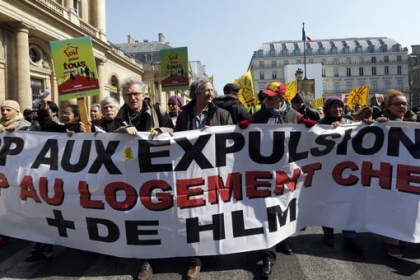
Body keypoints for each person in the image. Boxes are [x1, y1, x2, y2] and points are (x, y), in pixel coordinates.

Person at [237, 81, 308, 278]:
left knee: (284, 207)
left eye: (270, 97)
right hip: (263, 172)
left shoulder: (295, 116)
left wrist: (324, 127)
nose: (265, 100)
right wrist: (240, 127)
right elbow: (242, 133)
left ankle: (282, 238)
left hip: (286, 171)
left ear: (281, 99)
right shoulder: (259, 116)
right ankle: (268, 255)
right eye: (265, 97)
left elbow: (313, 136)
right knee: (266, 210)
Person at [109, 76, 173, 280]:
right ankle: (146, 261)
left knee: (160, 210)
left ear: (144, 94)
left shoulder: (157, 111)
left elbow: (175, 130)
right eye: (128, 95)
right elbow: (109, 140)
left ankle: (169, 246)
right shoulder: (120, 116)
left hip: (157, 170)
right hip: (132, 173)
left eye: (136, 94)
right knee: (140, 214)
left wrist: (161, 131)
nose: (132, 98)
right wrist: (121, 131)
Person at [175, 79, 233, 280]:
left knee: (213, 213)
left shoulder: (222, 115)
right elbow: (175, 140)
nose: (210, 93)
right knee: (192, 215)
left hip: (215, 173)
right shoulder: (184, 115)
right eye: (206, 90)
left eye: (211, 90)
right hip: (191, 173)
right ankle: (195, 260)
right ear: (196, 93)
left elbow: (234, 142)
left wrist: (216, 134)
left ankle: (211, 250)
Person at [317, 96, 365, 256]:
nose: (337, 110)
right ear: (327, 109)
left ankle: (349, 237)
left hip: (347, 170)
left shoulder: (349, 122)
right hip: (327, 170)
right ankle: (328, 232)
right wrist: (329, 129)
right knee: (328, 202)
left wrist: (371, 124)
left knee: (348, 202)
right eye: (333, 107)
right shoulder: (320, 124)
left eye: (339, 107)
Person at [375, 89, 416, 258]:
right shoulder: (382, 122)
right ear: (388, 106)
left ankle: (406, 236)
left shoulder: (413, 121)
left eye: (404, 103)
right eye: (397, 104)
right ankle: (392, 243)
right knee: (394, 206)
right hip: (390, 171)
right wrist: (377, 123)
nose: (402, 106)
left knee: (409, 204)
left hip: (410, 171)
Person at [0, 100, 33, 248]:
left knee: (15, 201)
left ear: (16, 111)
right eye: (3, 110)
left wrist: (17, 134)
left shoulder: (24, 125)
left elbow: (32, 143)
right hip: (3, 171)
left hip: (17, 171)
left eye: (8, 110)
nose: (5, 113)